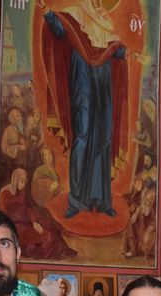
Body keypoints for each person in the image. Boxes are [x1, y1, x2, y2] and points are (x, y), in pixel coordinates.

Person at [40, 0, 129, 218]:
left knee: (103, 136)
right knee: (83, 134)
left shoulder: (106, 21)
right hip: (82, 77)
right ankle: (77, 199)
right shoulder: (75, 13)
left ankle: (102, 199)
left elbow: (114, 50)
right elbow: (60, 31)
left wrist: (124, 52)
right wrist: (48, 13)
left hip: (103, 80)